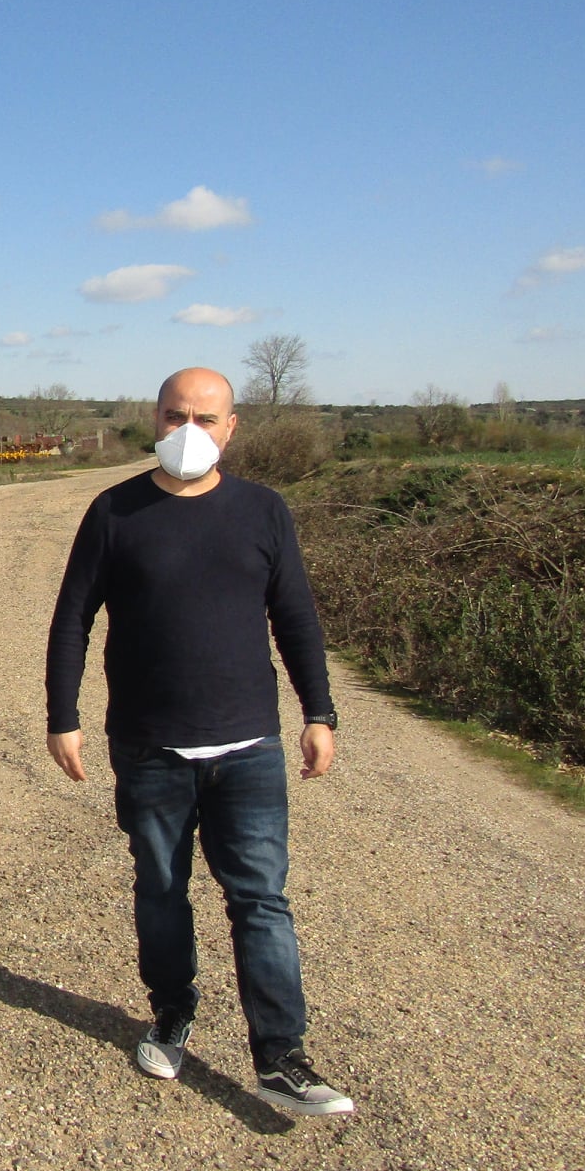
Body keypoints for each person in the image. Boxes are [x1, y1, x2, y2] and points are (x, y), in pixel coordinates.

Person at [44, 367, 354, 1115]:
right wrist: (63, 715)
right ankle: (171, 1011)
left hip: (248, 748)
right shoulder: (114, 511)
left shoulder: (263, 510)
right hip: (150, 747)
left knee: (260, 899)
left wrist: (319, 711)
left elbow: (296, 617)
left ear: (231, 427)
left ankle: (280, 1056)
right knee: (161, 888)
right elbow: (73, 618)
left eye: (206, 419)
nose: (189, 431)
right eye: (175, 415)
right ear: (154, 418)